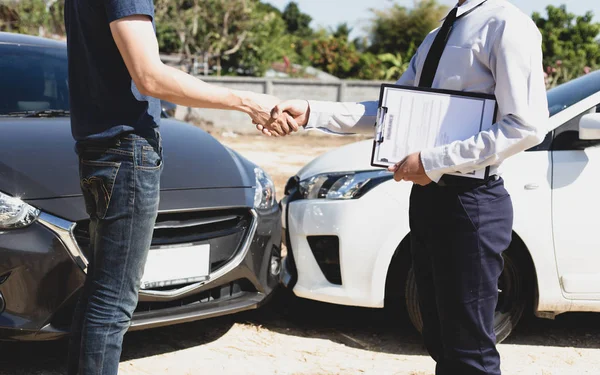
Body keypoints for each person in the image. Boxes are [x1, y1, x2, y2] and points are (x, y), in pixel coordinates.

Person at [262, 0, 548, 374]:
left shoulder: (507, 25)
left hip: (471, 204)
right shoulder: (439, 34)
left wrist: (433, 162)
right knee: (440, 342)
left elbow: (526, 126)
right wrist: (314, 113)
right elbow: (390, 113)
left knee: (469, 354)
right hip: (429, 201)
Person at [63, 0, 298, 373]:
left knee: (102, 289)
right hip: (125, 151)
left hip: (101, 149)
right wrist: (246, 100)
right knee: (114, 299)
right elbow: (149, 77)